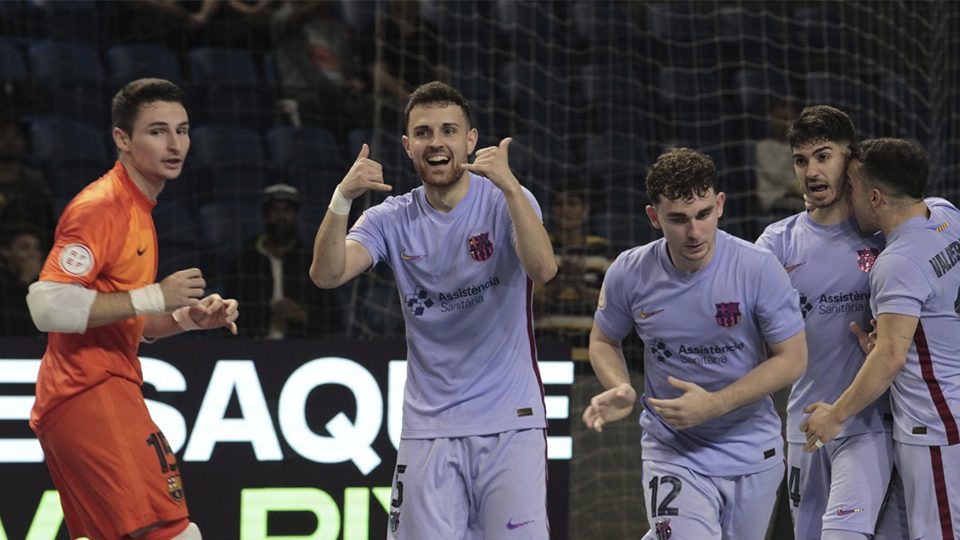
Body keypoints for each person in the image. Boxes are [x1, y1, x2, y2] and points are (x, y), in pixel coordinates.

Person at [310, 81, 557, 539]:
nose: (437, 141)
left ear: (470, 140)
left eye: (449, 130)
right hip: (429, 428)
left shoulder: (508, 201)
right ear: (408, 146)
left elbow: (543, 269)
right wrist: (341, 199)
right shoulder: (389, 217)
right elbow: (326, 275)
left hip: (511, 423)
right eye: (423, 133)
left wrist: (510, 186)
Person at [25, 78, 239, 540]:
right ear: (122, 139)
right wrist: (154, 296)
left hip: (90, 392)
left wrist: (186, 318)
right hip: (89, 391)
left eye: (182, 130)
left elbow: (126, 318)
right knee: (173, 533)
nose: (175, 143)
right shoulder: (102, 206)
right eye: (158, 131)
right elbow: (48, 305)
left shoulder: (140, 209)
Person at [581, 147, 808, 539]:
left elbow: (793, 359)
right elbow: (604, 339)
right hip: (673, 450)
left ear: (719, 205)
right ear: (654, 217)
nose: (694, 232)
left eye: (703, 214)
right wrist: (619, 385)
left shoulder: (757, 268)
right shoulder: (630, 272)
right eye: (678, 219)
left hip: (753, 451)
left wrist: (714, 405)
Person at [756, 106, 906, 540]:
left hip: (869, 422)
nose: (811, 171)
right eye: (801, 161)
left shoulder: (883, 235)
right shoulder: (776, 243)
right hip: (804, 424)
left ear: (850, 160)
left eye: (824, 156)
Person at [802, 138, 960, 539]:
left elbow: (890, 357)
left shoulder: (896, 263)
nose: (846, 193)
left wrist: (834, 416)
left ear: (875, 197)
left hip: (934, 427)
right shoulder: (945, 213)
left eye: (851, 186)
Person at [225, 183, 343, 339]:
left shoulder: (313, 261)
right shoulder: (245, 262)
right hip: (253, 345)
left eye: (287, 210)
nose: (281, 216)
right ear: (265, 214)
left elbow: (335, 319)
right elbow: (229, 315)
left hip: (303, 346)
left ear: (296, 215)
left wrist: (303, 315)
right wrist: (269, 315)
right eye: (275, 210)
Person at [271, 0, 372, 137]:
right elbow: (291, 19)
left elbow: (348, 70)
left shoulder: (336, 29)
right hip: (303, 92)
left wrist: (354, 81)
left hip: (339, 93)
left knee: (373, 108)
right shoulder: (283, 17)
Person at [534, 180, 611, 348]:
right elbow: (531, 309)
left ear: (585, 210)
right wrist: (563, 281)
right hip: (545, 346)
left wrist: (578, 285)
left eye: (572, 204)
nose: (565, 210)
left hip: (590, 347)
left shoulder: (602, 250)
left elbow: (612, 311)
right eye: (559, 204)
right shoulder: (539, 246)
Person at [363, 0, 449, 130]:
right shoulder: (378, 28)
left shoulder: (429, 30)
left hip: (427, 100)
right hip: (393, 100)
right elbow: (378, 74)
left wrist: (440, 99)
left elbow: (442, 72)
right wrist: (409, 99)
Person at [0, 117, 55, 241]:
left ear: (24, 142)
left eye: (17, 135)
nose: (10, 141)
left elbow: (47, 221)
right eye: (3, 135)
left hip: (29, 246)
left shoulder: (35, 180)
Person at [754, 98, 805, 217]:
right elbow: (777, 174)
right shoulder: (763, 147)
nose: (782, 123)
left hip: (795, 194)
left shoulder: (797, 147)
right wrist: (798, 187)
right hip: (773, 197)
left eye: (787, 119)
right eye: (778, 118)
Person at [0, 223, 43, 337]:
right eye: (24, 248)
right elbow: (12, 328)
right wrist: (26, 280)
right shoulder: (3, 282)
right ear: (6, 251)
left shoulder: (47, 282)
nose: (32, 254)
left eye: (37, 248)